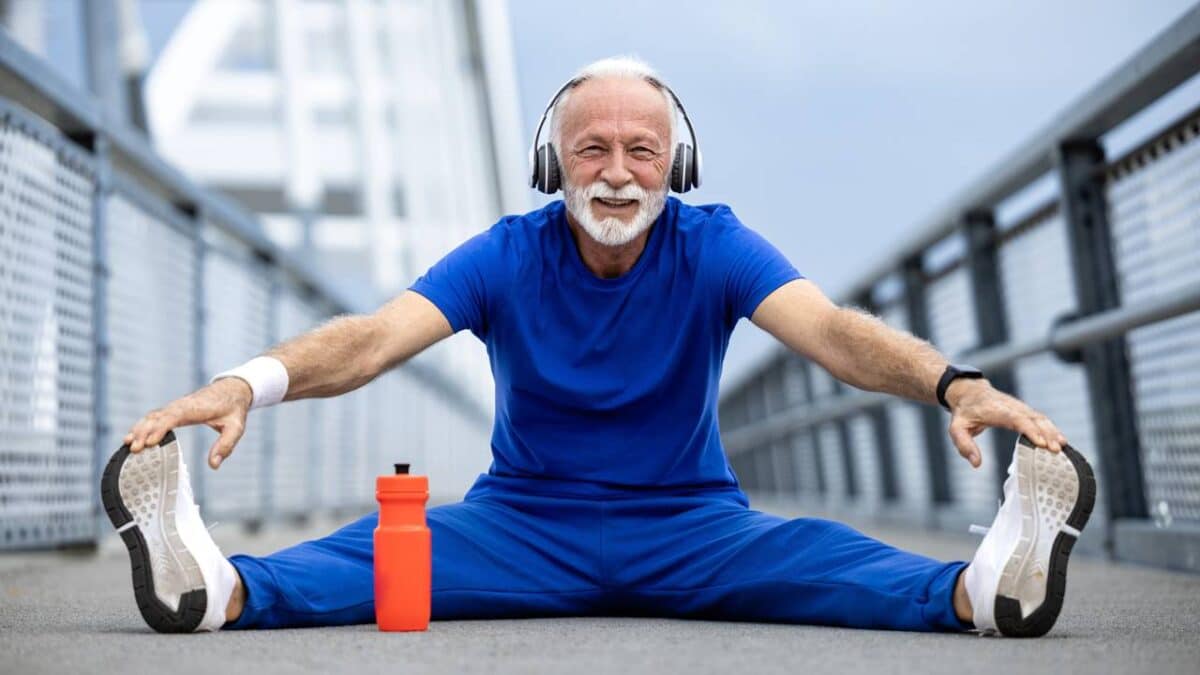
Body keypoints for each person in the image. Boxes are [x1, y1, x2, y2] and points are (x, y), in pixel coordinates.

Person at [109, 56, 1094, 637]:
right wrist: (245, 383)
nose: (618, 173)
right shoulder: (506, 255)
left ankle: (987, 587)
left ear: (676, 164)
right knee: (367, 562)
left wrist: (952, 384)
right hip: (524, 524)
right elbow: (370, 343)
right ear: (554, 163)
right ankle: (212, 588)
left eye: (642, 151)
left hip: (692, 526)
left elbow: (832, 336)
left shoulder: (713, 245)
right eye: (593, 149)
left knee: (826, 562)